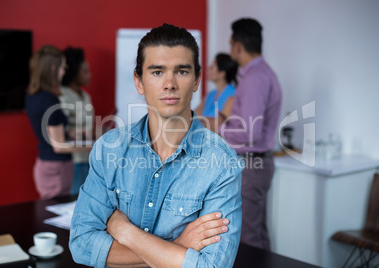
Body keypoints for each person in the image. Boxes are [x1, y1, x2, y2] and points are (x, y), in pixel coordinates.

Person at [69, 24, 244, 268]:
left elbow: (212, 266)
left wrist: (126, 232)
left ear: (196, 80)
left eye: (181, 71)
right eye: (157, 72)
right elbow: (81, 245)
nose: (169, 83)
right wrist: (179, 246)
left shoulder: (222, 163)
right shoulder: (108, 149)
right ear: (139, 82)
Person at [218, 18, 282, 250]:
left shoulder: (254, 78)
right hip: (256, 163)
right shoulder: (262, 73)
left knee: (248, 238)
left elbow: (249, 131)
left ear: (237, 45)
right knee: (257, 234)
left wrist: (219, 130)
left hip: (251, 165)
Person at [25, 45, 92, 200]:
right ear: (53, 69)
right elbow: (59, 146)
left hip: (45, 164)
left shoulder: (32, 95)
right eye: (63, 67)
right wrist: (94, 145)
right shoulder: (50, 99)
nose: (64, 71)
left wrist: (72, 133)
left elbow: (46, 131)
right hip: (57, 169)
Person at [59, 47, 94, 195]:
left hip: (88, 156)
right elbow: (59, 131)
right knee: (73, 199)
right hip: (73, 159)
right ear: (73, 73)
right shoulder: (62, 96)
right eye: (85, 71)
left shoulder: (85, 95)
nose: (89, 75)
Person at [195, 53, 238, 131]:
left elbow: (220, 128)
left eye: (212, 67)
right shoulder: (210, 95)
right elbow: (192, 116)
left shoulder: (233, 96)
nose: (208, 68)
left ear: (222, 74)